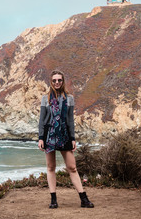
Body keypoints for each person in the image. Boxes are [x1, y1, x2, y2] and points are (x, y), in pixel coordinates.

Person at [38, 69, 94, 209]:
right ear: (51, 82)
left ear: (63, 81)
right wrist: (40, 138)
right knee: (51, 167)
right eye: (54, 80)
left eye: (59, 80)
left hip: (64, 135)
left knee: (72, 167)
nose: (57, 82)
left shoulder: (69, 98)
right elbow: (42, 120)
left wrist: (73, 138)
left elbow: (70, 120)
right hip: (49, 135)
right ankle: (53, 200)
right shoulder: (46, 98)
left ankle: (84, 199)